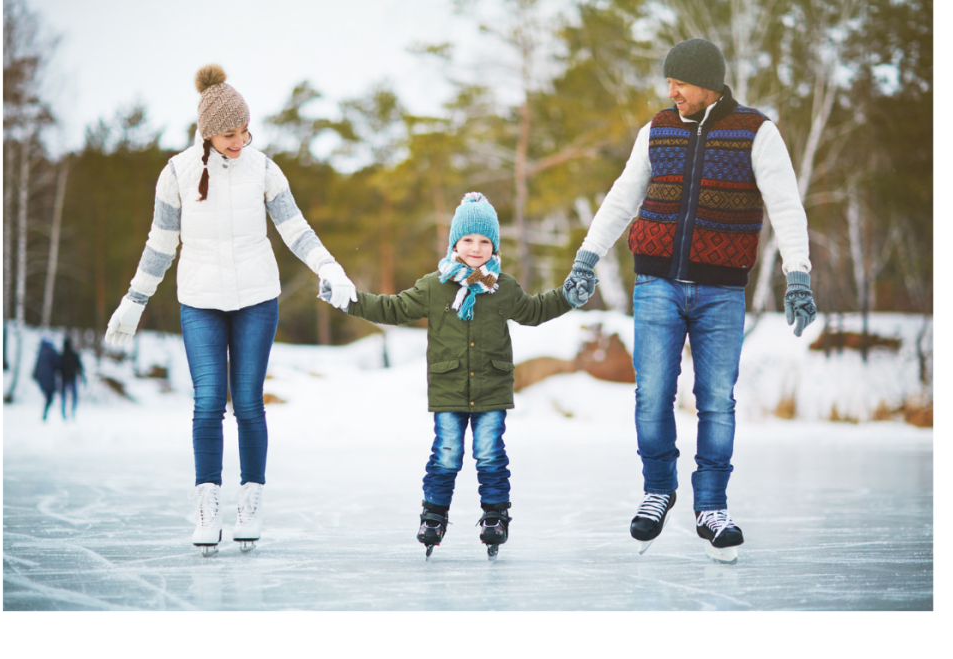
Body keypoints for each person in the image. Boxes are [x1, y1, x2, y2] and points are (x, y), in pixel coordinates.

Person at [562, 38, 818, 564]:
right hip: (656, 284)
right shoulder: (656, 129)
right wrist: (586, 258)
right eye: (669, 83)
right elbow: (622, 197)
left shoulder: (756, 132)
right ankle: (659, 490)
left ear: (708, 83)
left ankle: (711, 506)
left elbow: (787, 207)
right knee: (652, 393)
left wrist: (798, 275)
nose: (671, 91)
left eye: (679, 82)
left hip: (721, 290)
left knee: (716, 400)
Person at [104, 64, 359, 556]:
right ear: (207, 133)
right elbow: (160, 244)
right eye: (229, 133)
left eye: (245, 130)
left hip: (256, 300)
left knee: (247, 403)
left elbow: (295, 228)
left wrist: (330, 267)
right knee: (206, 404)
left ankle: (250, 500)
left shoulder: (263, 167)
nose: (240, 140)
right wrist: (135, 299)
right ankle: (206, 503)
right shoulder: (176, 173)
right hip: (200, 301)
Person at [323, 192, 579, 560]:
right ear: (454, 243)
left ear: (494, 246)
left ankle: (495, 515)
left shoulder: (502, 286)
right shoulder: (434, 285)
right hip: (449, 387)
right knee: (446, 454)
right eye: (468, 240)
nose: (476, 248)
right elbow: (392, 309)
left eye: (484, 241)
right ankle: (434, 515)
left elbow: (534, 310)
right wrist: (349, 299)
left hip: (491, 387)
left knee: (490, 453)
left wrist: (568, 296)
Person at [32, 337, 61, 421]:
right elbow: (57, 363)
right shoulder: (51, 352)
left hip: (41, 378)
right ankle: (45, 413)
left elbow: (37, 366)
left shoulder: (41, 352)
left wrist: (35, 375)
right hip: (49, 378)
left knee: (48, 396)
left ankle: (45, 413)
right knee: (50, 396)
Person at [59, 336, 85, 420]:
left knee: (64, 397)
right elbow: (79, 367)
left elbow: (57, 367)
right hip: (70, 378)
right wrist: (82, 376)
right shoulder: (73, 354)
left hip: (65, 379)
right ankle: (72, 412)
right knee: (74, 397)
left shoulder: (62, 355)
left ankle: (64, 414)